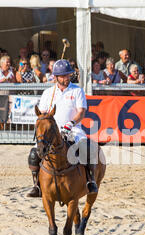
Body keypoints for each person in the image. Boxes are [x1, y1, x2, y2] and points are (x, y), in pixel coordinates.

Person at [27, 59, 99, 197]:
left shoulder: (77, 90)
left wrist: (71, 123)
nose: (66, 78)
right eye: (63, 76)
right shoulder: (48, 93)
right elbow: (41, 115)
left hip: (73, 129)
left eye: (68, 75)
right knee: (33, 154)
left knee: (86, 148)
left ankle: (90, 181)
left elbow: (81, 112)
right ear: (56, 77)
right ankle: (37, 185)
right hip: (51, 132)